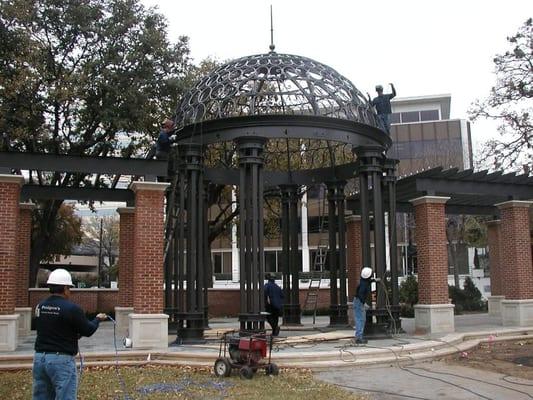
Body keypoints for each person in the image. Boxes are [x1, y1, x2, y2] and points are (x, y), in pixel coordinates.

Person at [32, 269, 107, 400]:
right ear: (66, 288)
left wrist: (71, 334)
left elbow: (45, 328)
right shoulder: (72, 308)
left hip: (39, 359)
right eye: (69, 288)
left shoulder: (40, 306)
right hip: (61, 360)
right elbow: (88, 330)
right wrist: (97, 319)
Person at [354, 266, 373, 344]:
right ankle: (359, 338)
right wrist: (364, 304)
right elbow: (361, 294)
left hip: (358, 301)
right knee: (360, 319)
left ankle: (359, 336)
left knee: (361, 319)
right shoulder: (364, 285)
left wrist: (374, 280)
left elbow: (368, 281)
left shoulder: (363, 281)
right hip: (359, 302)